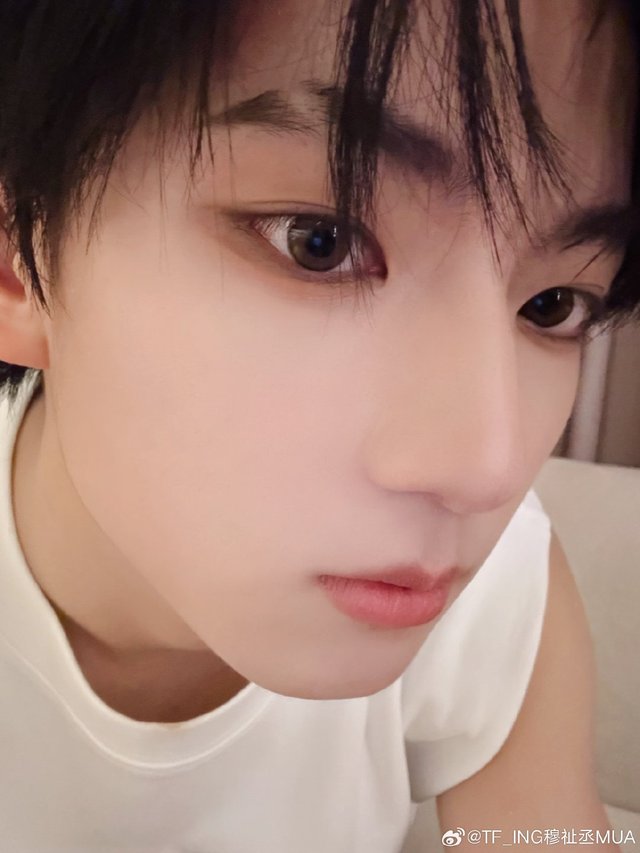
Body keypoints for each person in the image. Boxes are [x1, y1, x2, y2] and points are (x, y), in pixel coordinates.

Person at [0, 1, 637, 850]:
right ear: (18, 259)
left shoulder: (497, 597)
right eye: (320, 242)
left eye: (554, 304)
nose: (488, 466)